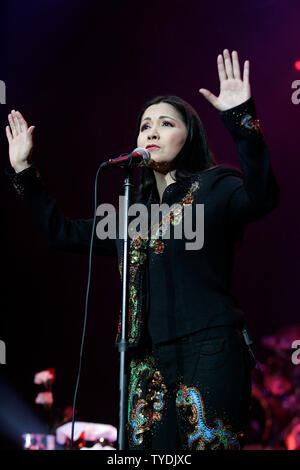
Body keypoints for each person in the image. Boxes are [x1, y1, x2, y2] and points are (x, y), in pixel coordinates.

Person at [5, 49, 280, 450]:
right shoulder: (132, 215)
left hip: (209, 351)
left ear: (188, 138)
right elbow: (61, 233)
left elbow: (263, 197)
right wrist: (24, 173)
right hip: (144, 360)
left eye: (165, 124)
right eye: (145, 125)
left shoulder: (215, 185)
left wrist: (241, 119)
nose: (151, 132)